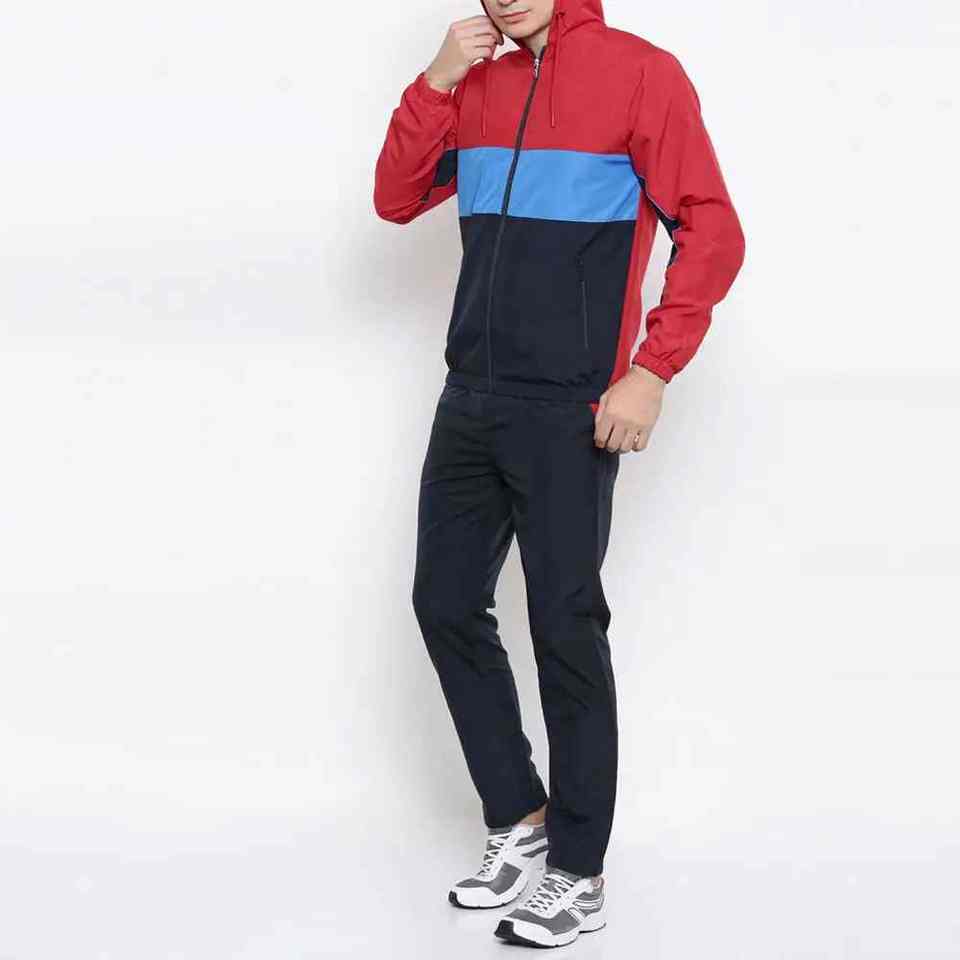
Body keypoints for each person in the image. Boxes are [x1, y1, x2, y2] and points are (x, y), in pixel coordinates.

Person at [374, 0, 744, 948]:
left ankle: (578, 873)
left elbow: (712, 227)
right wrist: (437, 82)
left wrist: (651, 370)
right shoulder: (477, 84)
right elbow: (396, 197)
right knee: (443, 602)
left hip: (573, 404)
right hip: (470, 393)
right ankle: (520, 814)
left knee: (564, 628)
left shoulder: (639, 72)